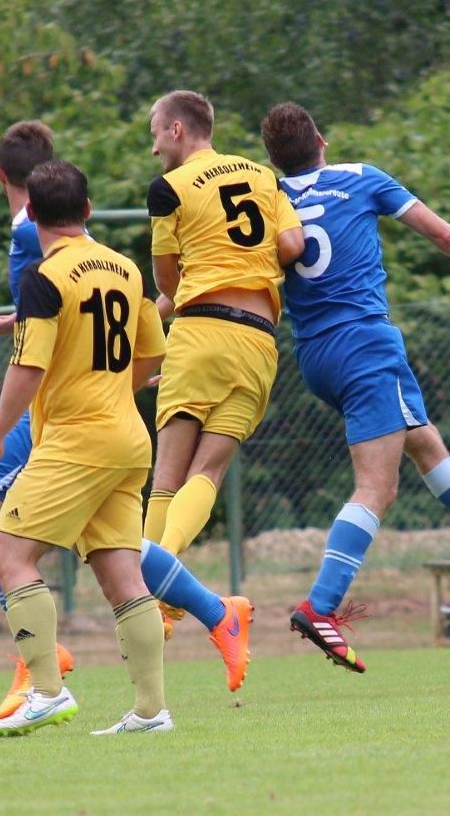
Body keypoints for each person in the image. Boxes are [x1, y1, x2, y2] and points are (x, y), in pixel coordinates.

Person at [261, 102, 450, 673]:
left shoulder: (268, 196)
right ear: (322, 140)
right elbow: (444, 236)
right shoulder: (361, 178)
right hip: (365, 345)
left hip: (315, 354)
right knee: (377, 488)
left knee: (427, 446)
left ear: (273, 159)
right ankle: (320, 606)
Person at [0, 159, 172, 736]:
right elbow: (152, 352)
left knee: (9, 558)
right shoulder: (125, 267)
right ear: (87, 210)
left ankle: (46, 691)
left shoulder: (44, 275)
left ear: (31, 212)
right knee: (123, 578)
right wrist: (115, 392)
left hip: (76, 441)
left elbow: (28, 366)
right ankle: (151, 711)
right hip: (128, 439)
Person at [143, 90, 304, 637]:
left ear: (177, 130)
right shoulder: (264, 176)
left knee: (167, 477)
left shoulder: (168, 188)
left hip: (199, 331)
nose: (154, 149)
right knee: (207, 473)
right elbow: (293, 244)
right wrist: (249, 262)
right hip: (257, 338)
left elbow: (168, 283)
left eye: (155, 134)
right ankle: (164, 585)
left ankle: (152, 590)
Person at [0, 120, 74, 721]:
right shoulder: (41, 225)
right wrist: (6, 322)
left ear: (0, 173)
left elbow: (63, 303)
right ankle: (218, 613)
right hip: (67, 397)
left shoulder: (32, 229)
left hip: (49, 402)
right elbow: (57, 303)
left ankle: (38, 658)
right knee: (106, 541)